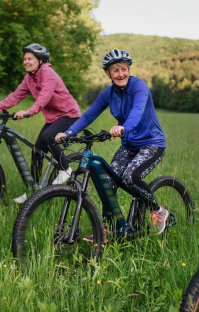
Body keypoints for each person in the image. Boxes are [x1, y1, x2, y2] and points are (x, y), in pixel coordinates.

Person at [55, 49, 169, 238]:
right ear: (108, 73)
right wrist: (69, 132)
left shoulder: (139, 87)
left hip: (152, 143)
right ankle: (110, 229)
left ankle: (157, 210)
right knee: (107, 182)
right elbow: (90, 114)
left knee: (131, 177)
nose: (121, 74)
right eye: (115, 71)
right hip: (129, 145)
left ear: (129, 69)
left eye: (124, 69)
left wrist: (123, 127)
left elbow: (138, 111)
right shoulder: (109, 93)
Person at [0, 43, 81, 203]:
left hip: (69, 115)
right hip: (52, 118)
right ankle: (33, 191)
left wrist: (29, 112)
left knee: (49, 137)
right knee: (37, 151)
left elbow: (44, 96)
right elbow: (15, 96)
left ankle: (66, 169)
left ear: (40, 60)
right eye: (24, 59)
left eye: (29, 58)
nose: (25, 61)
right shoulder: (29, 78)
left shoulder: (48, 73)